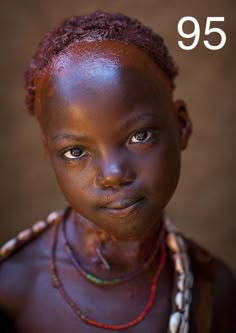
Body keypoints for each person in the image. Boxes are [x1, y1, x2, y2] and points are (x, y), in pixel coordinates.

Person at [0, 11, 235, 333]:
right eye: (75, 152)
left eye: (139, 136)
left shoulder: (211, 290)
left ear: (181, 125)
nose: (113, 174)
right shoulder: (13, 288)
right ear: (49, 155)